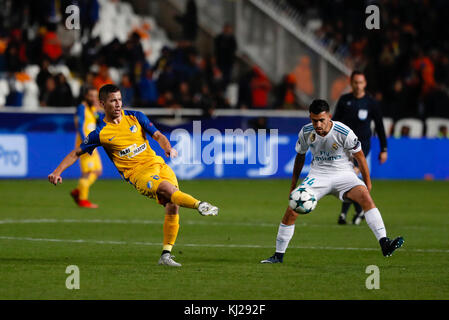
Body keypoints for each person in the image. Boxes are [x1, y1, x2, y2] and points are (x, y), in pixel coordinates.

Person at [48, 84, 218, 267]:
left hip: (158, 165)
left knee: (172, 205)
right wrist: (57, 172)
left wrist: (167, 147)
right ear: (102, 103)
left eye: (120, 99)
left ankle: (166, 255)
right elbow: (75, 153)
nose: (118, 104)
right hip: (138, 174)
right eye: (113, 100)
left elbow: (158, 135)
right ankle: (200, 205)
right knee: (168, 190)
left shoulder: (136, 117)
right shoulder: (100, 133)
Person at [260, 99, 403, 264]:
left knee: (366, 198)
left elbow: (360, 157)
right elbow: (300, 157)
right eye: (314, 120)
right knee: (292, 209)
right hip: (318, 175)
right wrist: (293, 185)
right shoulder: (306, 132)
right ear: (310, 118)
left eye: (322, 120)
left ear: (329, 116)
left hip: (344, 174)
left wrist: (367, 183)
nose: (318, 124)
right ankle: (278, 256)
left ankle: (384, 242)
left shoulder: (343, 132)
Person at [332, 70, 388, 225]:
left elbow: (380, 126)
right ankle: (358, 211)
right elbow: (334, 122)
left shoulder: (371, 103)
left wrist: (384, 149)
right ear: (351, 83)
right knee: (348, 178)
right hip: (344, 146)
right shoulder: (344, 100)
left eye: (361, 82)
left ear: (365, 84)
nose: (358, 85)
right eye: (355, 82)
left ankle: (346, 213)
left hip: (362, 147)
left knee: (349, 176)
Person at [70, 86, 102, 209]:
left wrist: (98, 113)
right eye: (91, 96)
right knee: (87, 172)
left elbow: (98, 122)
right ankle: (82, 200)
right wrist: (85, 142)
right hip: (85, 145)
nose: (94, 98)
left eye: (96, 96)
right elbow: (80, 126)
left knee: (97, 171)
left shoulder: (93, 109)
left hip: (93, 144)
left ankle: (78, 191)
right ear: (86, 96)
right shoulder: (81, 108)